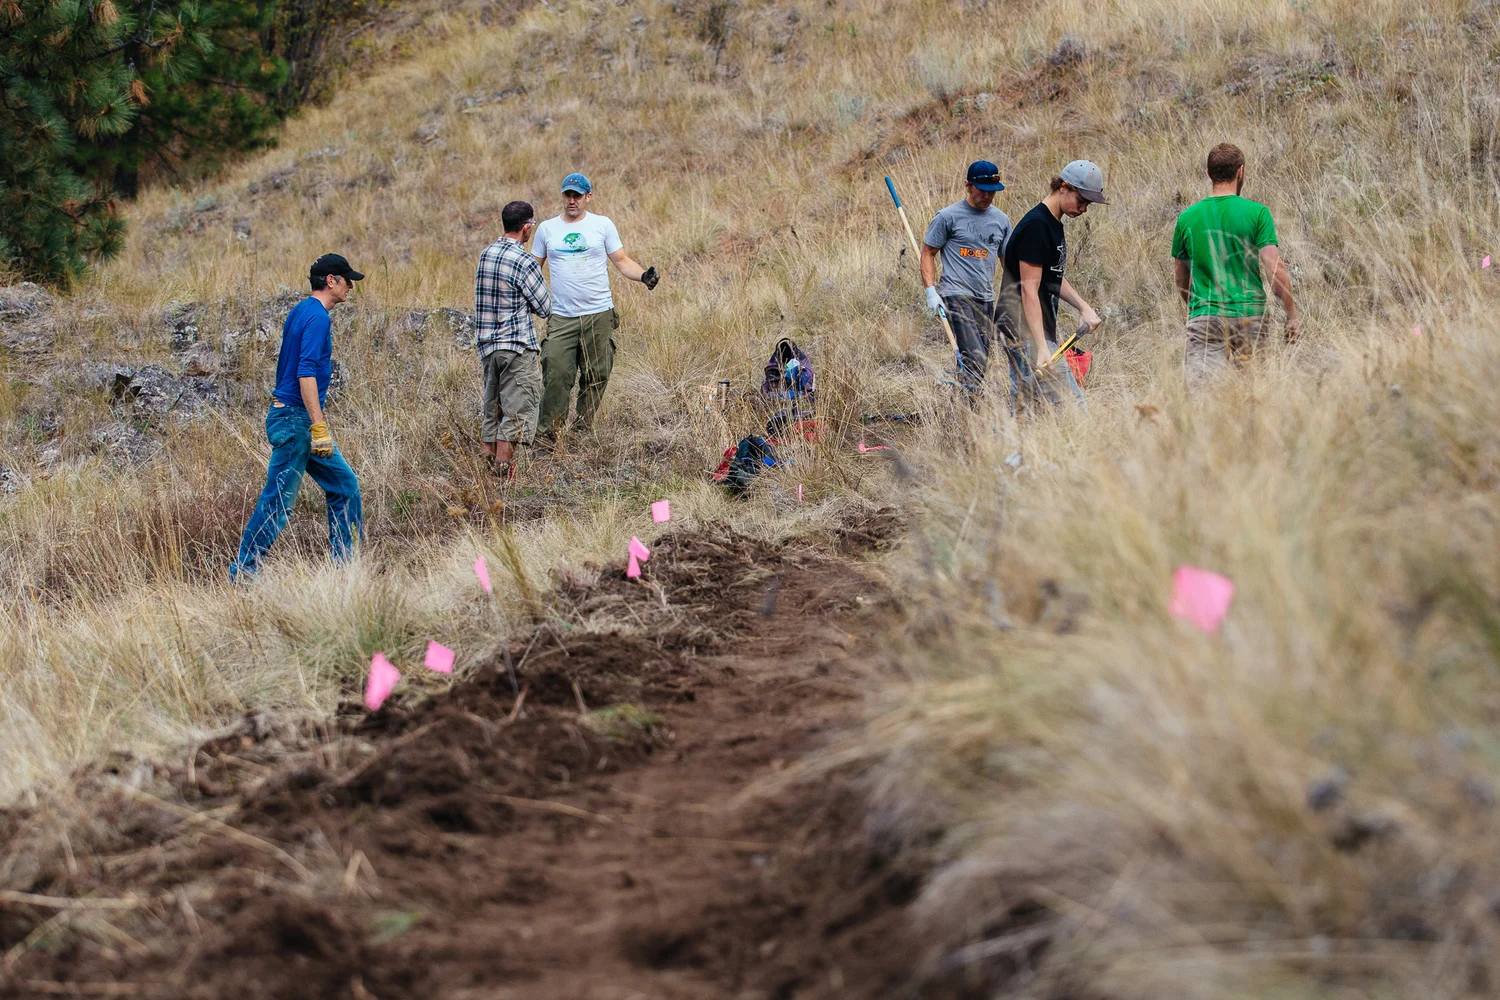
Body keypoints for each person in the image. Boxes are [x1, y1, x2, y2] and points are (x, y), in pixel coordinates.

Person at [230, 254, 364, 581]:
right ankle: (242, 574)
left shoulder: (302, 310)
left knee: (345, 486)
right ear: (331, 280)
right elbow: (305, 373)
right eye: (348, 280)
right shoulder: (318, 317)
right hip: (296, 421)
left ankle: (345, 571)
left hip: (293, 419)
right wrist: (319, 426)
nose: (351, 287)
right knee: (277, 503)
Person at [532, 172, 659, 443]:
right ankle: (547, 438)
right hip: (563, 316)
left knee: (597, 374)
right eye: (568, 195)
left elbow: (622, 260)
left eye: (578, 195)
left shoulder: (602, 225)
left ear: (588, 197)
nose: (572, 200)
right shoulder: (547, 229)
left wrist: (643, 276)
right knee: (556, 373)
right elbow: (533, 269)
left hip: (598, 313)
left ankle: (580, 432)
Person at [1171, 142, 1298, 386]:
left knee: (1203, 397)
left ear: (1209, 174)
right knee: (1252, 395)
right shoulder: (1258, 213)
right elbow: (1275, 268)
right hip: (1250, 315)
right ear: (1241, 171)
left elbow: (1181, 277)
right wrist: (1291, 314)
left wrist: (1197, 308)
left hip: (1205, 316)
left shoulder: (1186, 218)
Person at [997, 160, 1107, 406]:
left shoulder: (1052, 223)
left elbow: (1051, 275)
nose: (1084, 209)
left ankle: (1008, 445)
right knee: (1073, 407)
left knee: (1026, 410)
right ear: (1064, 187)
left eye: (1088, 204)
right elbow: (1029, 290)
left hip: (1031, 332)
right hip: (1023, 331)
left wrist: (1083, 307)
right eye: (1082, 201)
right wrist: (1041, 345)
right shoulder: (1036, 226)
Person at [920, 160, 1012, 392]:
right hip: (956, 295)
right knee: (975, 359)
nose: (988, 196)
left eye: (992, 192)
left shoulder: (1001, 220)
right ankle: (970, 414)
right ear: (968, 186)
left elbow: (1006, 261)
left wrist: (1013, 296)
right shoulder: (947, 217)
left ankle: (959, 410)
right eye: (982, 190)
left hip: (986, 298)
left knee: (979, 363)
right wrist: (931, 291)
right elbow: (928, 252)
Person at [475, 200, 550, 478]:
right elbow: (544, 307)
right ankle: (503, 475)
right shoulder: (524, 261)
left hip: (488, 347)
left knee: (491, 409)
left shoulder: (486, 254)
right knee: (515, 412)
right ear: (527, 227)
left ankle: (484, 473)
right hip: (517, 346)